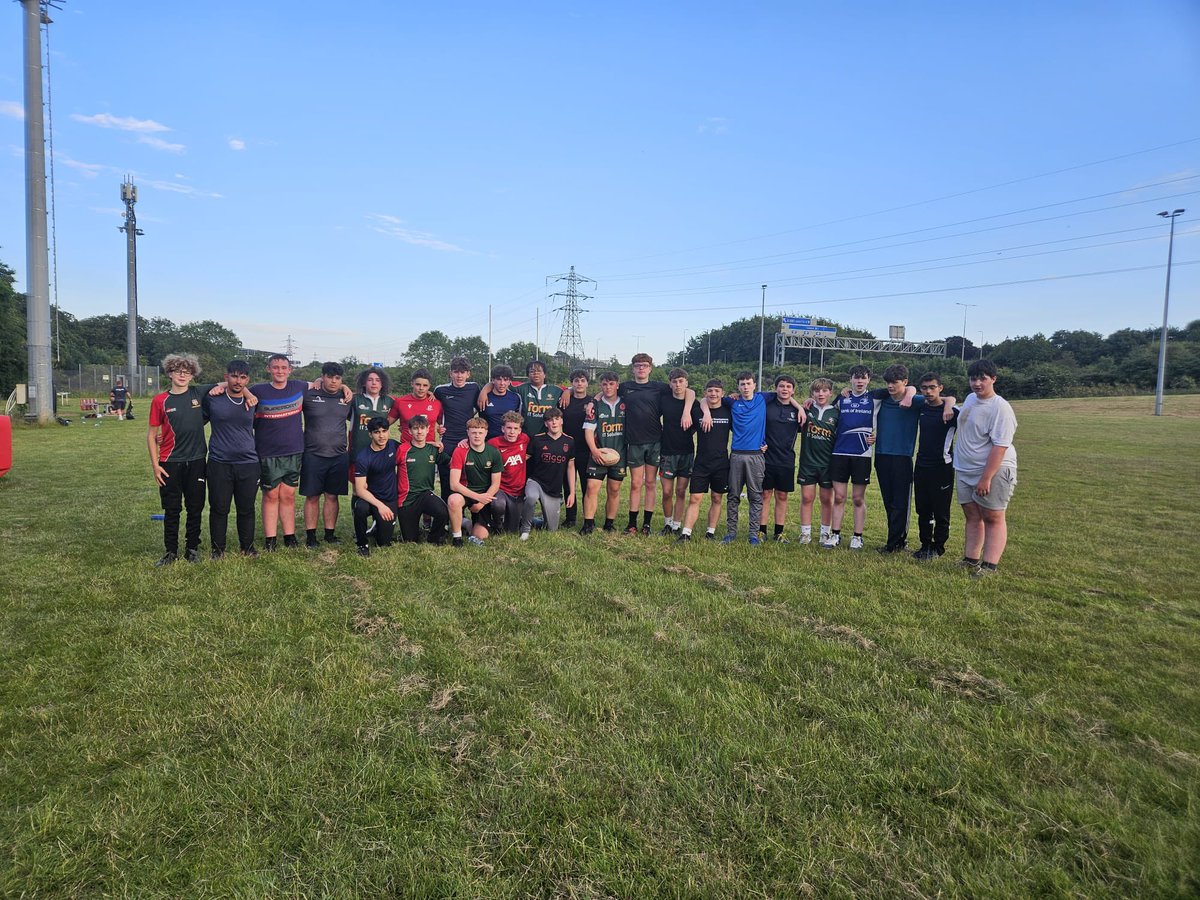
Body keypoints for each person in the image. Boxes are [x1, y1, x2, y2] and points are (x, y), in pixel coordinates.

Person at [614, 353, 698, 535]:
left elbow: (689, 391)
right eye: (637, 365)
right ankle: (631, 524)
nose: (641, 368)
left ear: (650, 368)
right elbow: (607, 390)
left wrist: (687, 411)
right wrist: (590, 400)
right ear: (633, 368)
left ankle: (647, 524)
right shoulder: (626, 387)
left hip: (655, 442)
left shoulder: (659, 387)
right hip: (634, 441)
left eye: (644, 365)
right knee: (636, 484)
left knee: (651, 483)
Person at [953, 359, 1017, 578]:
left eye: (983, 379)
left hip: (992, 470)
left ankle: (990, 566)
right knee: (972, 515)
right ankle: (970, 560)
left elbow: (1000, 446)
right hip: (965, 468)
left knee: (993, 516)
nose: (977, 383)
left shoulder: (1001, 408)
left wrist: (986, 478)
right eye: (973, 379)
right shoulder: (971, 399)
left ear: (993, 379)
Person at [725, 371, 802, 545]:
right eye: (742, 384)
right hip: (737, 455)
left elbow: (786, 394)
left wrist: (800, 408)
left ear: (755, 385)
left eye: (748, 383)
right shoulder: (731, 401)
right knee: (733, 495)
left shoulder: (762, 398)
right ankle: (731, 532)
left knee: (756, 496)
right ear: (738, 386)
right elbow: (709, 399)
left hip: (757, 456)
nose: (745, 387)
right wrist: (706, 411)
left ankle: (755, 533)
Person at [147, 354, 208, 565]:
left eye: (187, 371)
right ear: (170, 373)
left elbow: (230, 383)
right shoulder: (160, 400)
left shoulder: (198, 393)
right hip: (169, 461)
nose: (182, 375)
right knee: (172, 508)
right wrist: (155, 466)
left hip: (197, 460)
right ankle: (170, 551)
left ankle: (192, 548)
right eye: (178, 371)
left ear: (193, 375)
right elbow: (151, 434)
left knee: (195, 507)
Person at [250, 354, 312, 551]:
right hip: (267, 452)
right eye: (275, 367)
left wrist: (345, 387)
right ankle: (270, 539)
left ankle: (289, 536)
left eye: (284, 367)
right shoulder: (258, 390)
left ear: (290, 370)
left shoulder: (299, 386)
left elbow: (320, 382)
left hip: (294, 450)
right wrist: (221, 386)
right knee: (270, 495)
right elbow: (234, 386)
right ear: (269, 369)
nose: (280, 371)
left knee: (288, 495)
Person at [202, 360, 260, 558]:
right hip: (220, 462)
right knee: (219, 508)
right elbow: (195, 419)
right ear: (226, 377)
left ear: (248, 379)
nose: (238, 381)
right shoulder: (212, 397)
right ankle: (218, 550)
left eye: (243, 377)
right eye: (234, 376)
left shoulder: (253, 401)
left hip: (248, 463)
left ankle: (248, 547)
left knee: (246, 508)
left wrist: (249, 393)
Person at [300, 362, 354, 549]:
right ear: (322, 377)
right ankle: (311, 536)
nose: (333, 381)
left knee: (332, 496)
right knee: (312, 496)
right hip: (313, 454)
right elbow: (288, 387)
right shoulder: (309, 394)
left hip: (339, 455)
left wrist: (347, 388)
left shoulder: (347, 397)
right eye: (329, 377)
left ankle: (330, 534)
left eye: (338, 378)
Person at [825, 365, 875, 551]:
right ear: (851, 379)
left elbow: (905, 391)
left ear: (868, 380)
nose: (859, 381)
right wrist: (806, 401)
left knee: (857, 498)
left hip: (861, 454)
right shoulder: (842, 398)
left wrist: (877, 435)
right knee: (839, 497)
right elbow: (824, 407)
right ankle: (835, 534)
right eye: (856, 378)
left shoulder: (875, 398)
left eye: (863, 378)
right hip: (839, 453)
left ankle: (857, 537)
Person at [912, 373, 959, 561]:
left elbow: (952, 401)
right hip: (921, 466)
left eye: (932, 387)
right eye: (924, 388)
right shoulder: (921, 407)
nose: (928, 391)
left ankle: (938, 547)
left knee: (941, 511)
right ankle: (925, 545)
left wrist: (948, 404)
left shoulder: (952, 412)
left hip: (943, 468)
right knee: (923, 509)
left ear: (940, 387)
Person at [678, 380, 731, 542]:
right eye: (710, 391)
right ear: (705, 393)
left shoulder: (729, 411)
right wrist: (705, 412)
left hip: (721, 463)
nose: (713, 394)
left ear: (722, 393)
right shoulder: (697, 411)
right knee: (695, 498)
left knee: (717, 497)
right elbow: (693, 396)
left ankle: (710, 532)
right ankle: (685, 533)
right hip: (701, 462)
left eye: (716, 391)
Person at [579, 371, 627, 535]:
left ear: (617, 385)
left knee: (614, 490)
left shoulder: (626, 404)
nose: (608, 387)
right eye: (604, 384)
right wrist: (594, 451)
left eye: (611, 384)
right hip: (598, 453)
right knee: (591, 488)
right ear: (601, 386)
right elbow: (588, 431)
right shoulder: (596, 406)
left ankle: (609, 524)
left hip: (619, 455)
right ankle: (588, 524)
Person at [759, 374, 803, 543]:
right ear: (776, 388)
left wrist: (799, 407)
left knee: (782, 495)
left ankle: (779, 532)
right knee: (765, 494)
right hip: (766, 458)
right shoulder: (766, 405)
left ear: (793, 390)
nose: (785, 389)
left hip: (786, 459)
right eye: (781, 386)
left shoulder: (799, 412)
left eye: (788, 387)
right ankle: (761, 531)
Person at [447, 416, 503, 547]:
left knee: (480, 535)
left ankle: (465, 522)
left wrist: (481, 503)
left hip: (484, 495)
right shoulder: (460, 451)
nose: (477, 436)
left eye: (480, 433)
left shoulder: (493, 452)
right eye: (473, 432)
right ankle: (457, 538)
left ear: (486, 433)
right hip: (466, 492)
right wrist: (478, 497)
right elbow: (454, 484)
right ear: (467, 433)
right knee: (453, 500)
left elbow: (496, 484)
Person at [796, 377, 839, 546]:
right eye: (816, 391)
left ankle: (824, 533)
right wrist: (802, 405)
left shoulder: (836, 413)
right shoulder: (806, 410)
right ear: (812, 393)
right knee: (807, 498)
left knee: (826, 499)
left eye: (824, 390)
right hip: (808, 462)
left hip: (827, 464)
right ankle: (805, 533)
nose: (820, 394)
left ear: (830, 393)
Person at [521, 407, 575, 538]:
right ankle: (525, 530)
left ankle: (534, 520)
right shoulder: (537, 440)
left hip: (553, 488)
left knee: (551, 529)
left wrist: (572, 493)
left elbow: (570, 467)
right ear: (546, 424)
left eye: (557, 419)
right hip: (536, 481)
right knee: (531, 497)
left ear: (562, 421)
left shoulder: (569, 441)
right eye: (550, 420)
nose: (554, 423)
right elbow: (523, 461)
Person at [395, 415, 449, 544]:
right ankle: (413, 530)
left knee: (443, 511)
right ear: (409, 431)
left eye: (422, 428)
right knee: (410, 541)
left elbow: (452, 463)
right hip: (407, 498)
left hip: (425, 494)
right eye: (415, 428)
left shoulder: (433, 450)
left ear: (428, 429)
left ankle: (434, 538)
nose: (419, 432)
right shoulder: (402, 449)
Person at [434, 357, 482, 501]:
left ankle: (466, 515)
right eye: (456, 372)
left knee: (469, 478)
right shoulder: (441, 390)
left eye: (463, 372)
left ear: (468, 374)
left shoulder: (474, 388)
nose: (459, 376)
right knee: (446, 480)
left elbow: (479, 406)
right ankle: (446, 517)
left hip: (467, 440)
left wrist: (486, 389)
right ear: (450, 373)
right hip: (447, 441)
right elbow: (431, 407)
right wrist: (438, 425)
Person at [352, 417, 401, 556]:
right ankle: (362, 544)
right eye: (377, 432)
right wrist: (380, 506)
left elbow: (414, 447)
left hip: (389, 498)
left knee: (384, 543)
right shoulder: (363, 457)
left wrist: (433, 443)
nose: (381, 436)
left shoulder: (393, 445)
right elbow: (360, 489)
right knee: (360, 507)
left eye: (384, 431)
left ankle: (376, 527)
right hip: (370, 498)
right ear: (370, 434)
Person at [657, 368, 697, 537]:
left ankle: (676, 525)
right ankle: (667, 523)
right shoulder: (664, 400)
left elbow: (694, 395)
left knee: (681, 491)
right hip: (667, 452)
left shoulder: (694, 403)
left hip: (686, 452)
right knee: (667, 492)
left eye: (681, 381)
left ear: (686, 383)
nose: (678, 385)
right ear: (670, 384)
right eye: (674, 381)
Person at [487, 410, 530, 533]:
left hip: (518, 490)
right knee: (498, 505)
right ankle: (497, 522)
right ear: (502, 429)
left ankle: (514, 518)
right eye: (509, 428)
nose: (512, 432)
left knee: (512, 530)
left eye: (515, 428)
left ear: (520, 431)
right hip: (501, 488)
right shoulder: (494, 443)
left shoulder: (524, 439)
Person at [559, 369, 592, 528]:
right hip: (568, 449)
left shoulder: (593, 401)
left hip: (586, 449)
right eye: (576, 381)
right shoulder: (564, 400)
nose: (579, 384)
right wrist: (567, 391)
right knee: (568, 484)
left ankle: (588, 517)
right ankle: (570, 517)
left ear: (587, 383)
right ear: (571, 383)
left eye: (582, 381)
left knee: (587, 484)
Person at [350, 367, 396, 468]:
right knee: (359, 483)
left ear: (382, 383)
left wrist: (429, 393)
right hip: (358, 451)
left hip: (380, 451)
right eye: (370, 380)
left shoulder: (390, 401)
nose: (374, 383)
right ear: (363, 383)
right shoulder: (354, 399)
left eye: (378, 380)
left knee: (378, 482)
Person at [389, 368, 444, 447]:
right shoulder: (401, 402)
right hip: (407, 449)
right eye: (418, 384)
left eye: (425, 385)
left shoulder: (436, 403)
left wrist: (441, 429)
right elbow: (385, 423)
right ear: (412, 384)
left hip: (429, 449)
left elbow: (444, 424)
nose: (421, 388)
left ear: (429, 386)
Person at [515, 359, 563, 439]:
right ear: (528, 375)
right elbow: (501, 384)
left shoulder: (556, 390)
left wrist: (568, 393)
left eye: (539, 371)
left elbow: (573, 389)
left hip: (549, 438)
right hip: (526, 437)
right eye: (532, 371)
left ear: (545, 374)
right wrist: (485, 390)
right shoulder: (522, 388)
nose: (536, 374)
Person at [480, 364, 522, 439]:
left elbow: (518, 421)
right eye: (499, 379)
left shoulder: (516, 398)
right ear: (493, 380)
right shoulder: (484, 397)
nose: (502, 383)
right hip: (489, 441)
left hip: (508, 441)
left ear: (509, 382)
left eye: (505, 380)